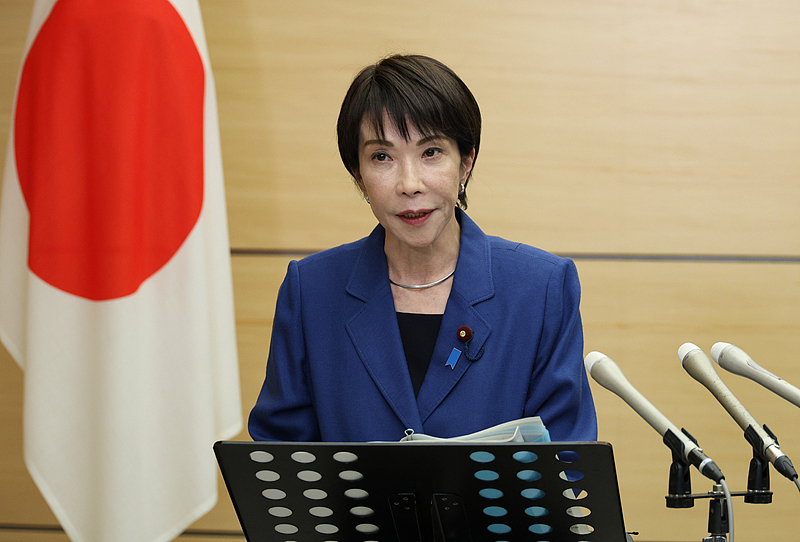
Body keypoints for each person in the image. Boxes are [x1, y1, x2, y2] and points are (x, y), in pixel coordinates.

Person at [248, 54, 597, 443]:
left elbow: (569, 458)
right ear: (359, 178)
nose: (409, 183)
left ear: (466, 163)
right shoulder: (311, 290)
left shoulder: (541, 288)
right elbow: (281, 457)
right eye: (382, 157)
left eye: (430, 152)